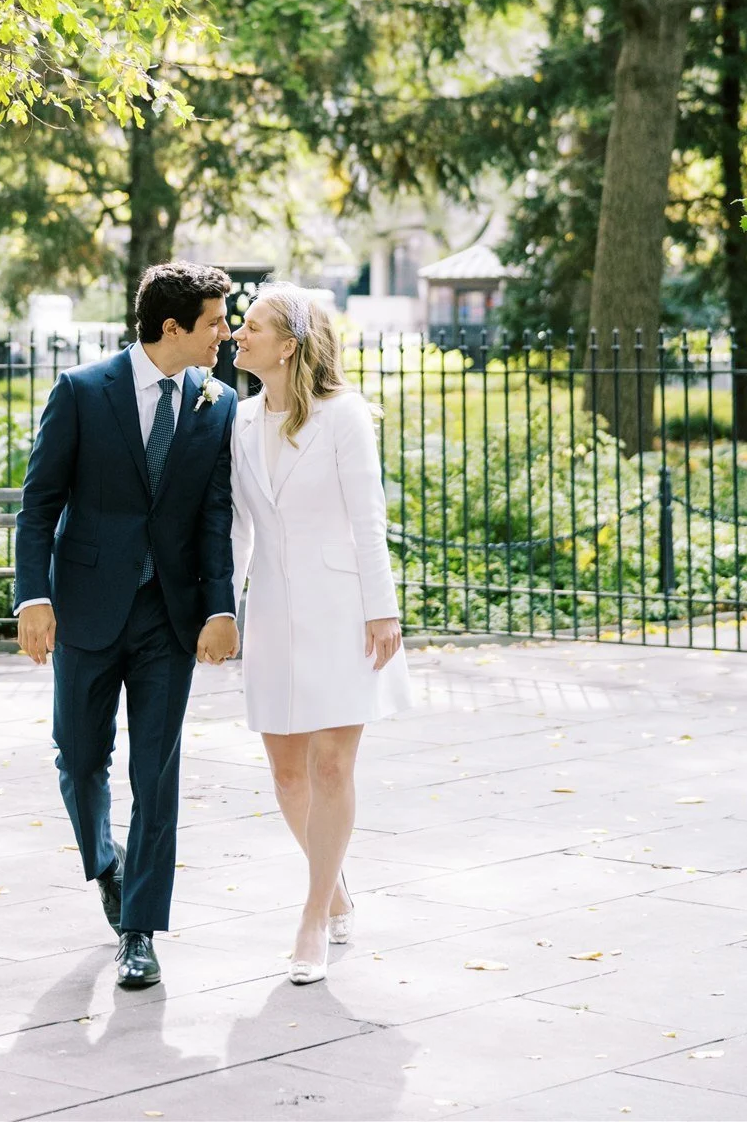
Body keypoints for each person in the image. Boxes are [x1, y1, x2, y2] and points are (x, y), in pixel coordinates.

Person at [14, 261, 240, 991]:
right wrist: (33, 597)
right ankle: (108, 866)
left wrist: (219, 607)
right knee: (78, 760)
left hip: (167, 618)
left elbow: (213, 517)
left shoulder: (219, 403)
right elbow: (39, 502)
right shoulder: (82, 392)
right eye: (215, 322)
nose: (225, 334)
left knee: (157, 773)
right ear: (173, 328)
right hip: (85, 606)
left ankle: (140, 929)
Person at [231, 283, 411, 983]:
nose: (238, 337)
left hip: (344, 611)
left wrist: (382, 608)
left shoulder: (345, 416)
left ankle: (312, 917)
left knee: (333, 766)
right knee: (285, 772)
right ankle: (334, 887)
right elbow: (239, 527)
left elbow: (368, 516)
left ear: (290, 346)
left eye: (251, 327)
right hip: (273, 611)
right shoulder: (240, 421)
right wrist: (223, 608)